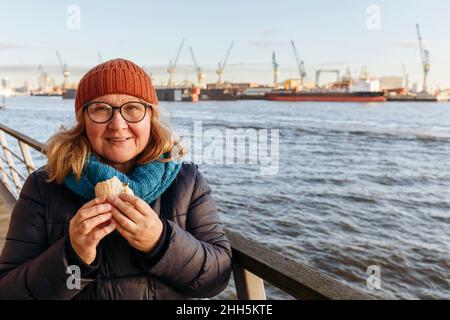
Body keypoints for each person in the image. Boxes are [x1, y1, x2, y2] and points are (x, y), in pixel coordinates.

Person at [0, 58, 232, 299]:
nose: (118, 124)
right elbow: (9, 291)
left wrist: (161, 242)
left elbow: (217, 278)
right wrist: (73, 256)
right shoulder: (44, 186)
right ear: (83, 120)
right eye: (100, 109)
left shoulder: (187, 182)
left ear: (150, 117)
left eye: (133, 108)